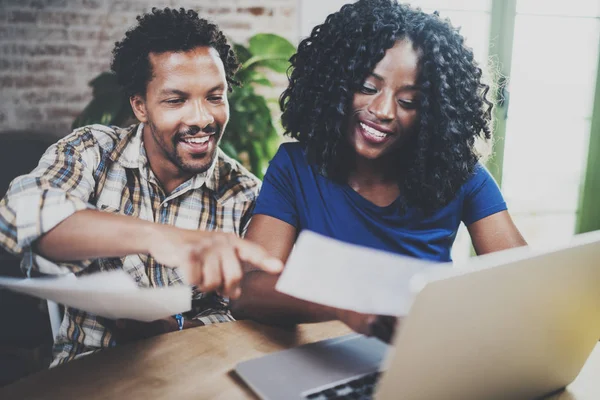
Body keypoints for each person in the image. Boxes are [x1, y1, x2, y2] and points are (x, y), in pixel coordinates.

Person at [0, 7, 282, 366]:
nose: (202, 119)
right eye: (176, 100)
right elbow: (18, 213)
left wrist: (179, 325)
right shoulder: (94, 152)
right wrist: (161, 237)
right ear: (140, 105)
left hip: (192, 374)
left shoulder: (244, 194)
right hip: (87, 370)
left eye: (214, 96)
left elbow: (243, 314)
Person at [231, 0, 527, 341]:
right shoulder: (296, 167)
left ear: (431, 113)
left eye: (408, 101)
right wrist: (344, 307)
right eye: (368, 88)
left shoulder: (461, 175)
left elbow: (524, 281)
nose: (383, 110)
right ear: (333, 86)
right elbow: (246, 290)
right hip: (326, 352)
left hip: (424, 351)